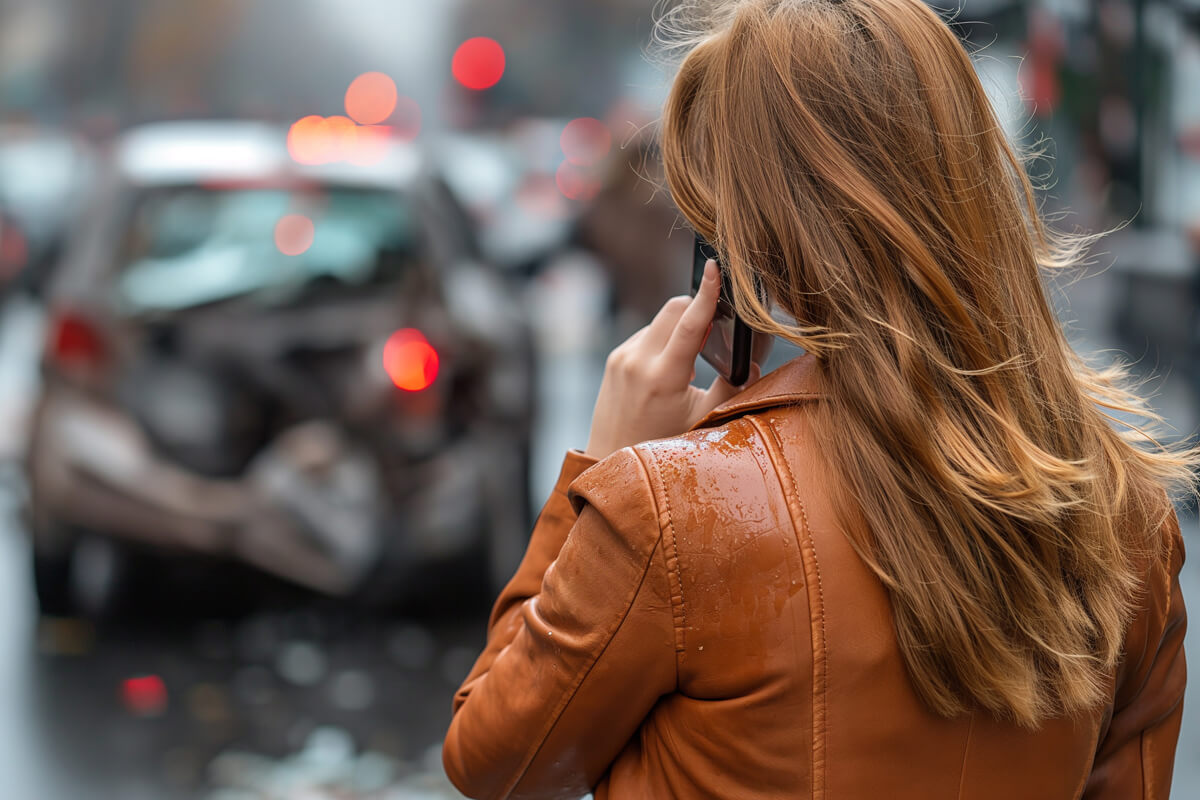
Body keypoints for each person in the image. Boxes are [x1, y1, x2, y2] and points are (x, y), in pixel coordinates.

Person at [442, 1, 1197, 797]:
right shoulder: (1125, 513)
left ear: (749, 240)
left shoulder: (665, 510)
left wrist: (595, 473)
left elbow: (493, 761)